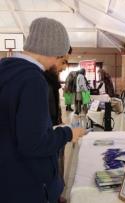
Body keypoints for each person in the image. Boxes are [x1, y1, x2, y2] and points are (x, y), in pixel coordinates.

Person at [0, 17, 86, 203]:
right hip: (27, 185)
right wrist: (67, 134)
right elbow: (33, 145)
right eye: (58, 57)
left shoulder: (5, 69)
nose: (56, 65)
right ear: (51, 50)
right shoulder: (33, 80)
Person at [44, 46, 73, 203]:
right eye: (63, 62)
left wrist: (58, 122)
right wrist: (66, 133)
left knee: (57, 163)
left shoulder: (50, 81)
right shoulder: (38, 81)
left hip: (54, 133)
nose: (63, 67)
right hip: (49, 138)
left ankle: (55, 193)